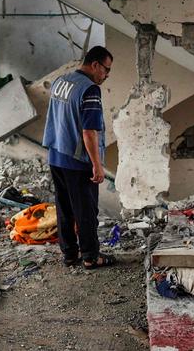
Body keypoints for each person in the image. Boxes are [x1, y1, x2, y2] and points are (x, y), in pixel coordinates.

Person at [42, 46, 115, 270]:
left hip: (56, 155)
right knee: (86, 210)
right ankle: (91, 256)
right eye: (106, 70)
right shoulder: (90, 90)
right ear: (95, 65)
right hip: (77, 160)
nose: (106, 76)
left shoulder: (61, 81)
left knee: (64, 207)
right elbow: (89, 132)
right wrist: (97, 165)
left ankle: (70, 254)